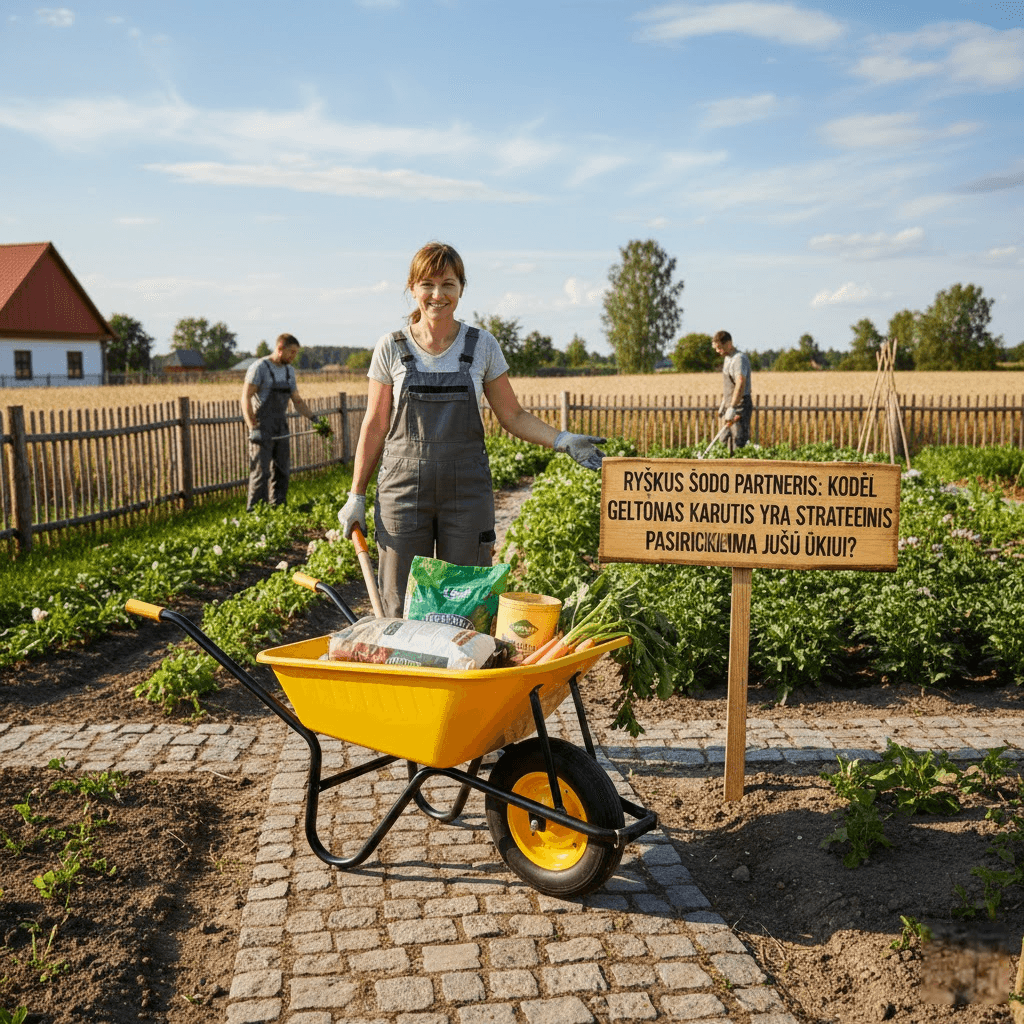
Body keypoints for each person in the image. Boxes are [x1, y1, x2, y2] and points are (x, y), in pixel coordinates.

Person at [337, 242, 605, 618]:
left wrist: (562, 440)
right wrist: (357, 495)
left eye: (448, 284)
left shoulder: (481, 346)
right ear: (412, 288)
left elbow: (513, 415)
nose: (437, 294)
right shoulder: (391, 347)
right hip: (401, 492)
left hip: (465, 493)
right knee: (398, 603)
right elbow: (376, 423)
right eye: (427, 284)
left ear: (461, 288)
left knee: (464, 601)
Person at [241, 332, 321, 511]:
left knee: (282, 470)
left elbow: (297, 400)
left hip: (281, 426)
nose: (294, 356)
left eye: (295, 353)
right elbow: (245, 398)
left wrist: (314, 419)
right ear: (279, 349)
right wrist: (252, 427)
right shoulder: (259, 368)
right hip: (261, 427)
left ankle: (278, 508)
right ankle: (255, 512)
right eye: (291, 352)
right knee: (261, 472)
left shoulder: (288, 371)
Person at [712, 330, 752, 449]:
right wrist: (724, 403)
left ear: (728, 344)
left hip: (740, 406)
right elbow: (730, 385)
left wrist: (733, 407)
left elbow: (740, 383)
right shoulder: (727, 359)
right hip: (730, 406)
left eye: (719, 348)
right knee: (724, 439)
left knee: (738, 441)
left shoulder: (739, 359)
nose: (717, 351)